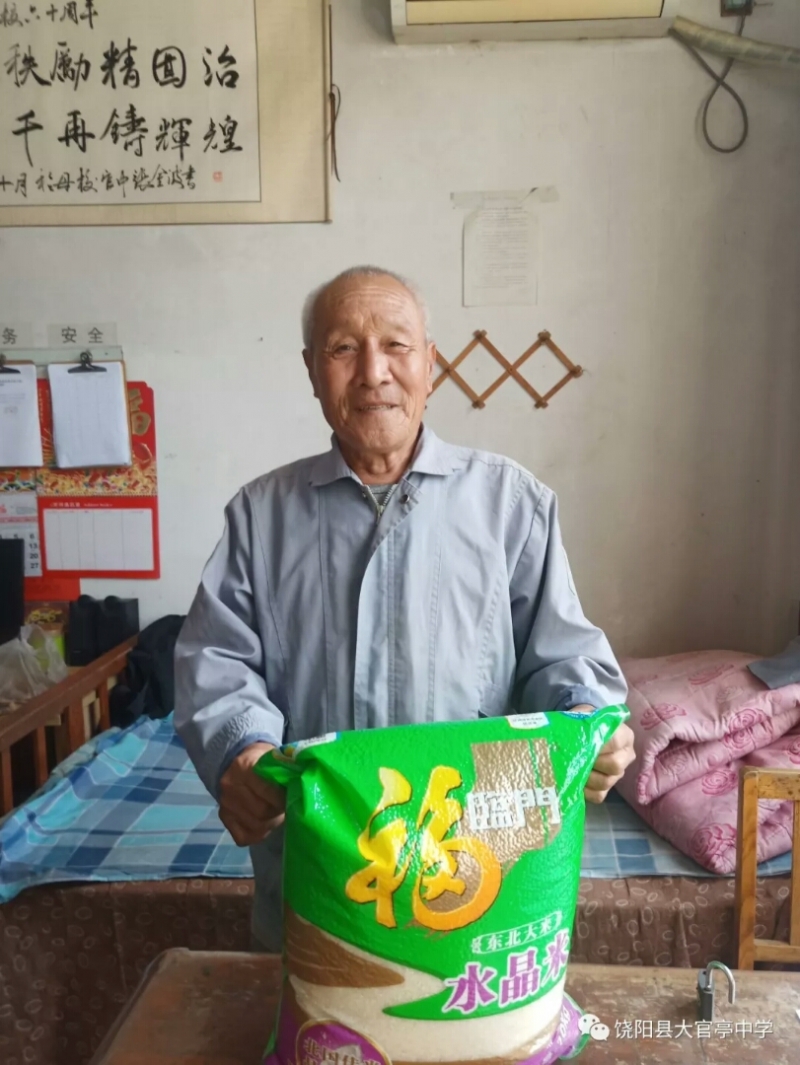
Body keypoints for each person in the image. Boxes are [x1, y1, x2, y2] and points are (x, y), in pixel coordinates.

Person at [174, 266, 635, 952]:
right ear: (312, 370)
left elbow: (564, 657)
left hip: (474, 877)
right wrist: (240, 750)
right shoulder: (260, 516)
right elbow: (217, 661)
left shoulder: (512, 505)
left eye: (396, 345)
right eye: (343, 349)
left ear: (430, 365)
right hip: (319, 875)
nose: (373, 373)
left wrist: (589, 723)